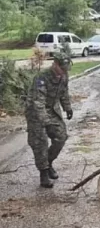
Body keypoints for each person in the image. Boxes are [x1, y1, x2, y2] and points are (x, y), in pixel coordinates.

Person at [25, 52, 73, 188]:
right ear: (55, 64)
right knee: (40, 142)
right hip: (35, 112)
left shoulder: (64, 76)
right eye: (61, 68)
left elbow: (64, 92)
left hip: (52, 109)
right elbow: (37, 102)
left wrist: (67, 108)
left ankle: (49, 162)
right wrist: (44, 121)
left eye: (66, 69)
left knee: (61, 137)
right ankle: (44, 173)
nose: (63, 71)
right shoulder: (41, 78)